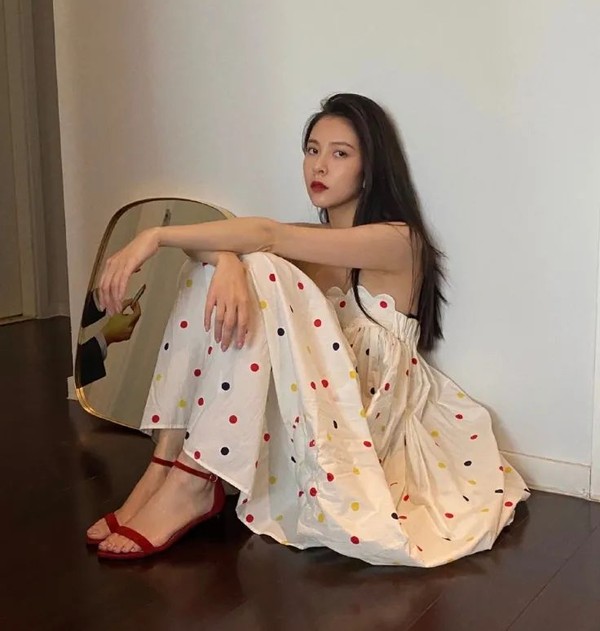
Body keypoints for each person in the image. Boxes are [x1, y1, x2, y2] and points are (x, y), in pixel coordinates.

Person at [87, 93, 529, 567]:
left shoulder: (399, 240)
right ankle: (166, 462)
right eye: (312, 150)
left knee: (260, 266)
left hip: (366, 420)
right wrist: (227, 261)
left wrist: (156, 235)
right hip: (309, 409)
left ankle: (193, 481)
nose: (319, 165)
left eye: (340, 154)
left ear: (370, 169)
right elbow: (230, 242)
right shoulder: (306, 239)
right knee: (219, 266)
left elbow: (266, 236)